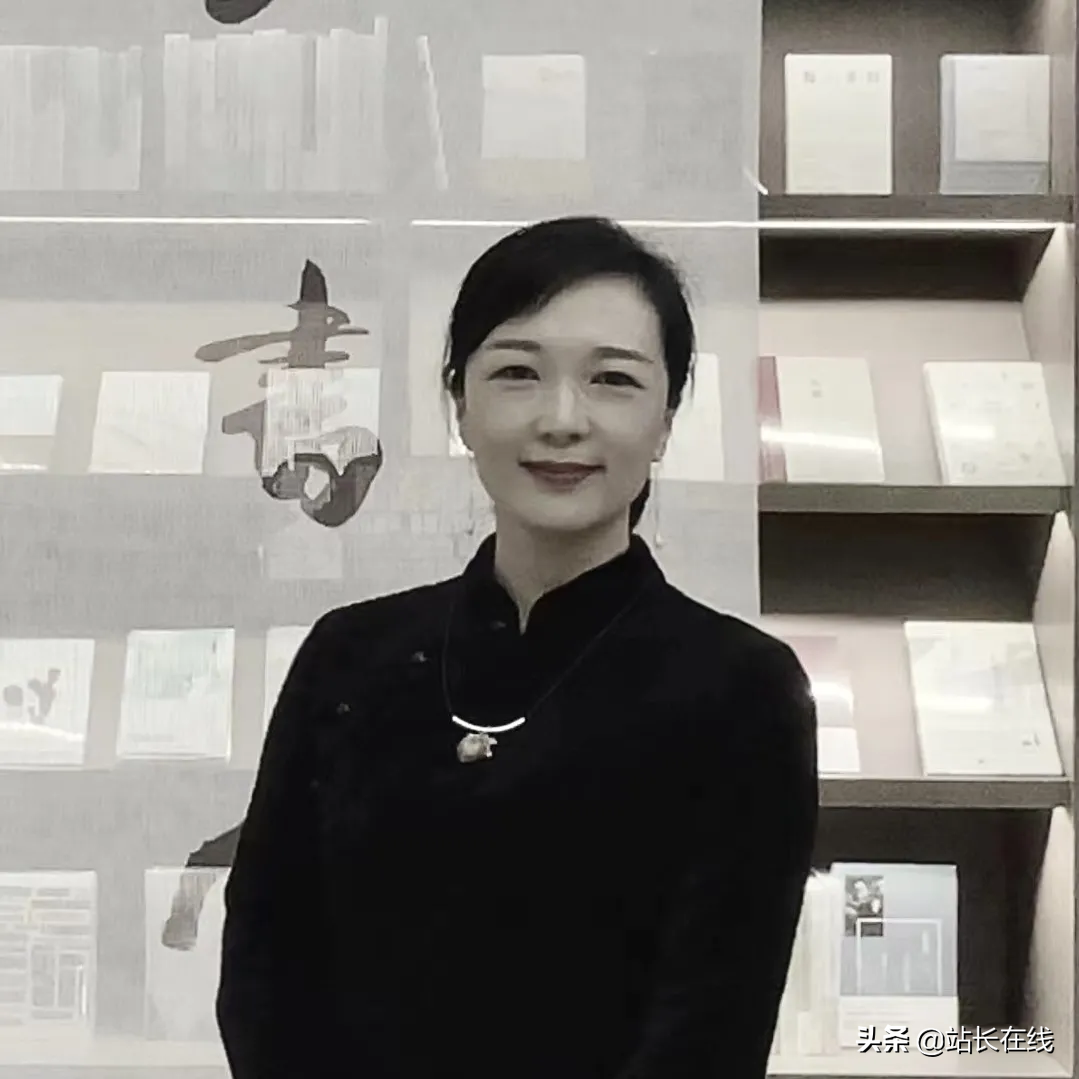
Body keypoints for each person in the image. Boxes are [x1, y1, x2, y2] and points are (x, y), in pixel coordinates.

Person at [216, 216, 819, 1079]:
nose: (561, 419)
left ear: (665, 419)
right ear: (460, 403)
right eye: (516, 373)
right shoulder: (349, 654)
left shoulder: (741, 687)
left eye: (612, 380)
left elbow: (711, 1030)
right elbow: (264, 963)